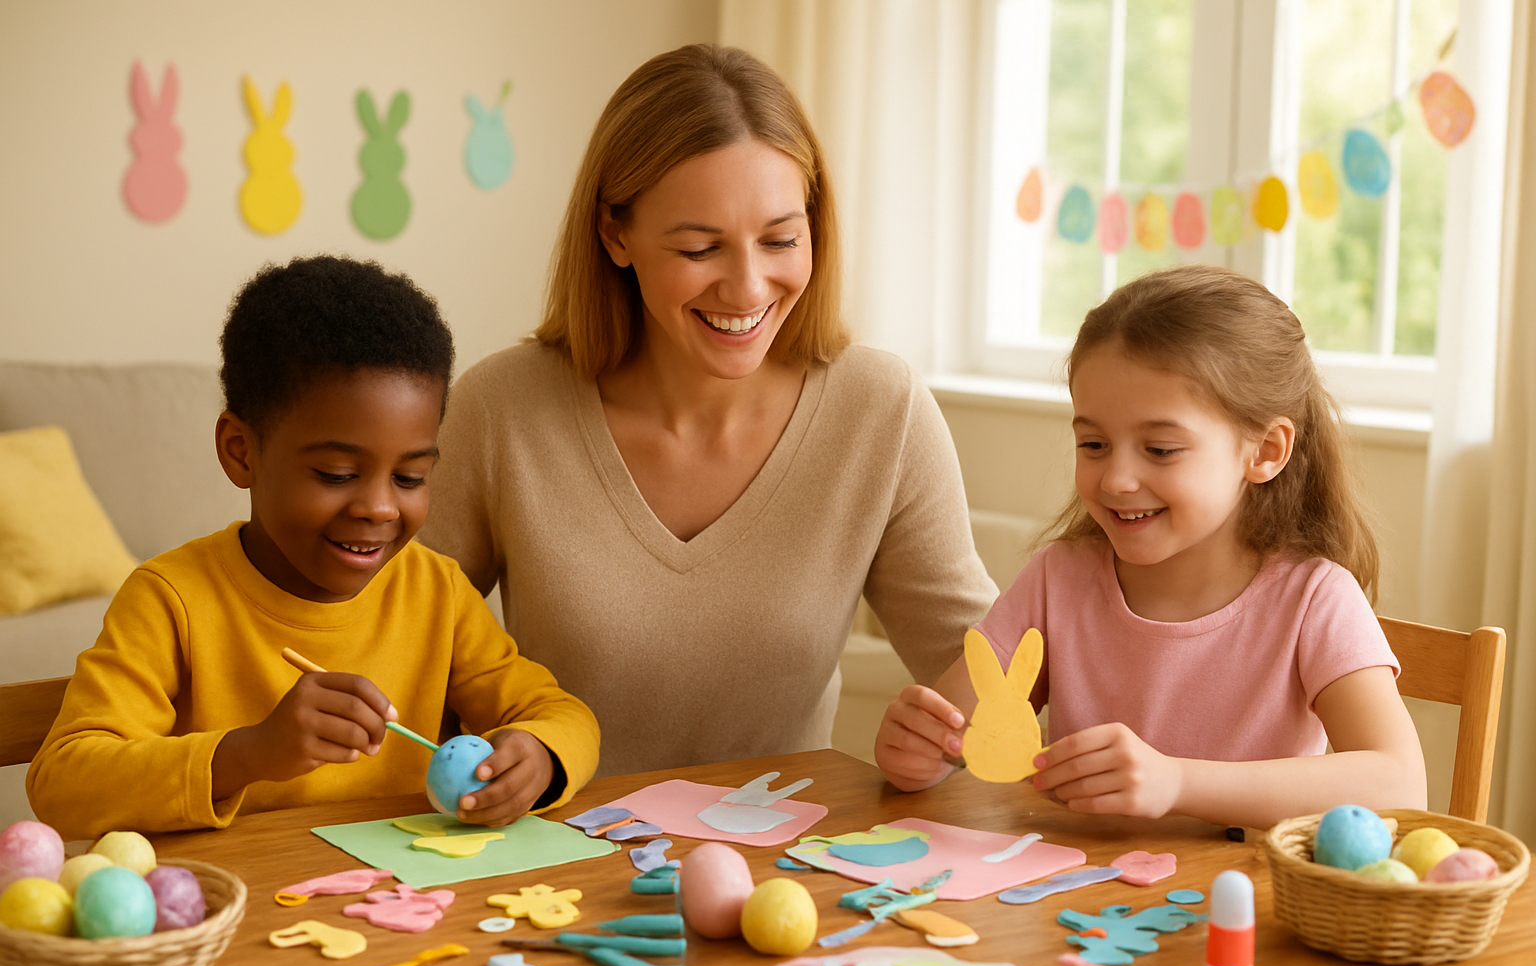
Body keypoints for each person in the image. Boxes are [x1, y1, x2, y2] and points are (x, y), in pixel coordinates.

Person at [418, 44, 997, 776]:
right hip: (544, 873)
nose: (748, 287)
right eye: (699, 248)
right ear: (615, 234)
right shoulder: (502, 409)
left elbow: (988, 671)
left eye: (781, 239)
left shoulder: (881, 411)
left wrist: (942, 739)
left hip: (784, 875)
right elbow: (397, 647)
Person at [27, 256, 600, 840]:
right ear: (241, 451)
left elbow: (564, 715)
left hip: (406, 915)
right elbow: (62, 784)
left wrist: (539, 755)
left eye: (409, 478)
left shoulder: (438, 593)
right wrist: (248, 754)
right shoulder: (171, 600)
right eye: (335, 473)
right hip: (237, 917)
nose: (379, 507)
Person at [873, 265, 1427, 829]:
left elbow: (1399, 784)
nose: (1116, 478)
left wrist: (1177, 782)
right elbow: (957, 735)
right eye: (1093, 443)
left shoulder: (1314, 598)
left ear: (1264, 451)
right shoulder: (1056, 580)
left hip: (1239, 903)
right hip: (1076, 901)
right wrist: (920, 752)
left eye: (1160, 449)